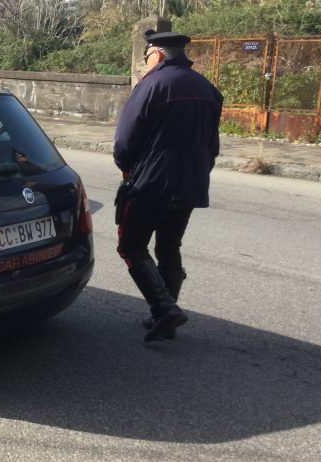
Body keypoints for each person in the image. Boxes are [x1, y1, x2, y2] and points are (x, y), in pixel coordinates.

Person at [113, 30, 223, 342]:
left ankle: (164, 309)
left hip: (152, 184)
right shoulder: (207, 88)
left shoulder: (151, 85)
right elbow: (212, 144)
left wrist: (127, 169)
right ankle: (165, 314)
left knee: (131, 245)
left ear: (157, 54)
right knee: (168, 246)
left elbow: (124, 141)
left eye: (147, 57)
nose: (145, 63)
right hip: (192, 183)